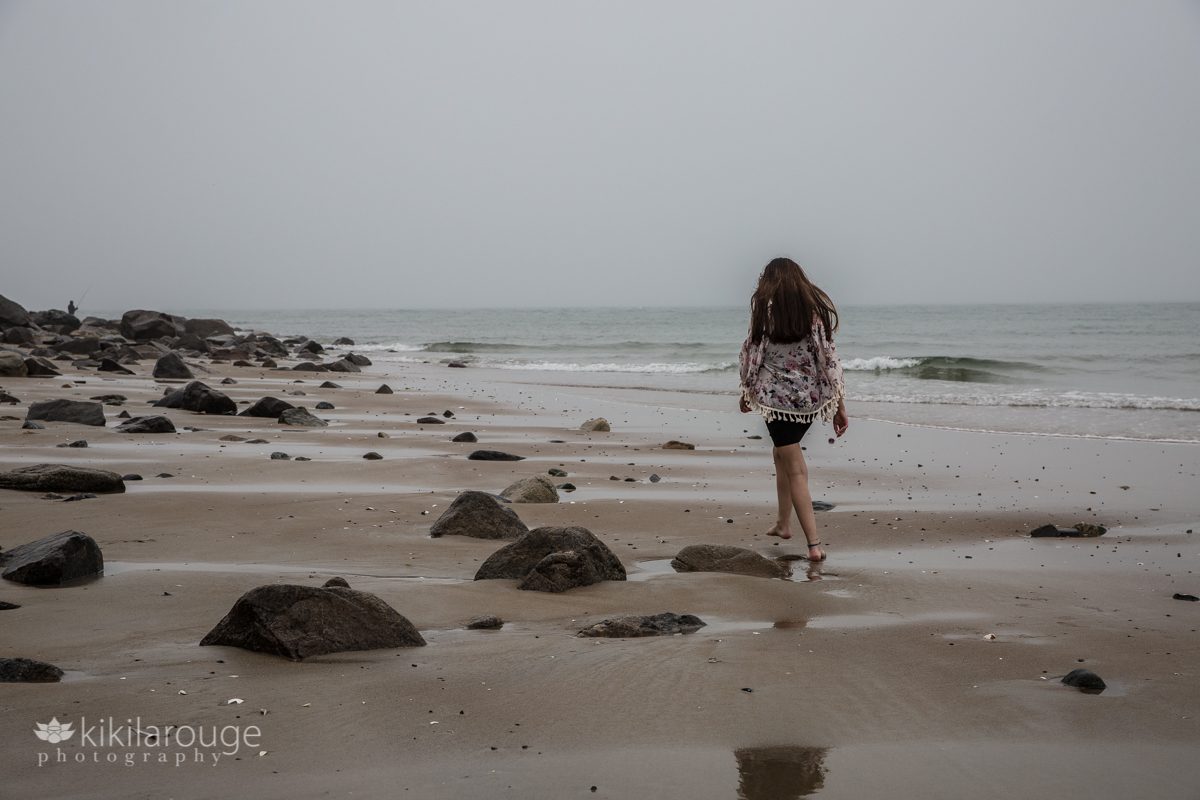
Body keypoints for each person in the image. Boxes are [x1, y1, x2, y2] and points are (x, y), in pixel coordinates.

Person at [738, 257, 848, 561]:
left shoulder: (765, 315)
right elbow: (830, 363)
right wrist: (840, 406)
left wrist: (746, 392)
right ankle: (783, 523)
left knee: (795, 468)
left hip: (777, 404)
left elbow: (751, 356)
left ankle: (813, 545)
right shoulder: (813, 315)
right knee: (781, 454)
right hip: (809, 403)